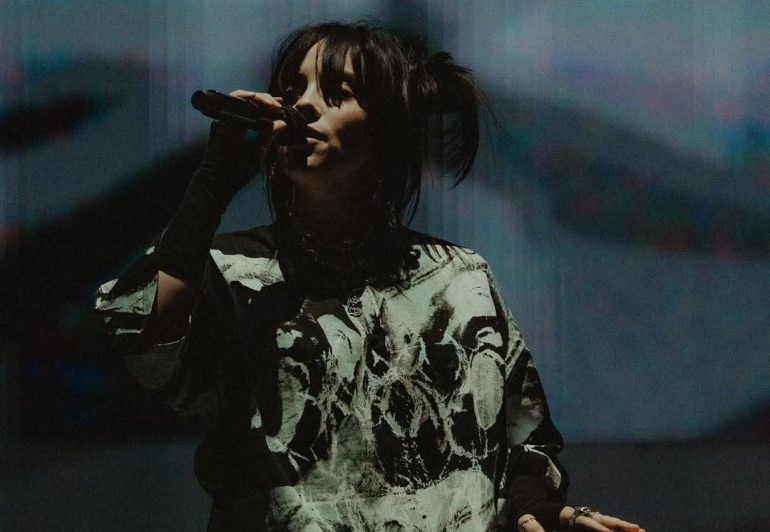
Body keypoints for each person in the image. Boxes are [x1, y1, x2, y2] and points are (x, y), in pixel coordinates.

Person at [93, 21, 645, 532]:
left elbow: (525, 440)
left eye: (337, 92)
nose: (303, 105)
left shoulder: (461, 279)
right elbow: (146, 340)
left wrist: (535, 507)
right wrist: (213, 182)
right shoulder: (233, 271)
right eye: (292, 89)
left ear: (385, 126)